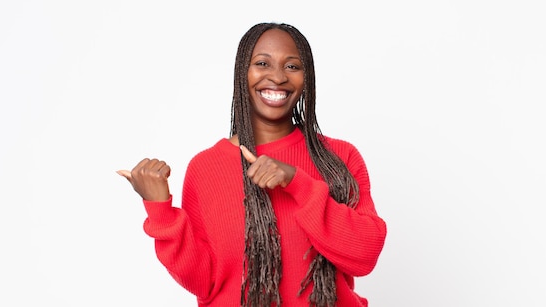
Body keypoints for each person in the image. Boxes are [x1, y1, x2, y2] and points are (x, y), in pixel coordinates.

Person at [117, 22, 387, 307]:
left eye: (292, 67)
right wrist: (161, 211)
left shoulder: (338, 157)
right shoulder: (206, 167)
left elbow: (365, 254)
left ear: (307, 79)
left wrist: (297, 182)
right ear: (242, 74)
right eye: (262, 63)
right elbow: (203, 283)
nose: (278, 77)